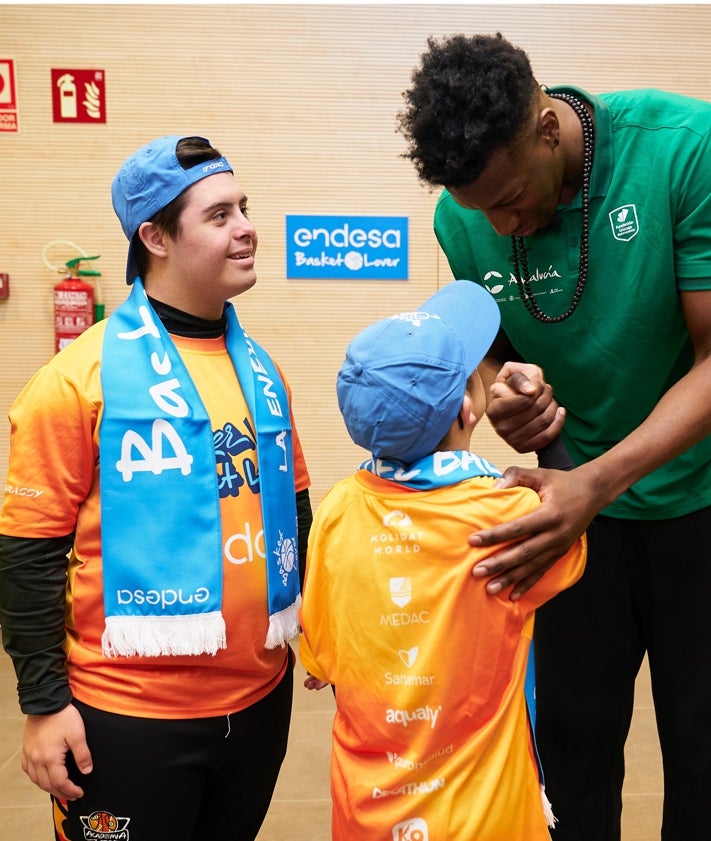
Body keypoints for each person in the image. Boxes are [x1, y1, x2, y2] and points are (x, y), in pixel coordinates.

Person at [396, 32, 711, 841]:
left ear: (545, 127)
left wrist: (595, 482)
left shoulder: (680, 148)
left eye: (509, 198)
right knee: (569, 756)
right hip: (571, 517)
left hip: (696, 505)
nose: (500, 223)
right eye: (480, 211)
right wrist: (507, 388)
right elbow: (493, 345)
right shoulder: (461, 216)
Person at [0, 135, 313, 841]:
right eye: (219, 214)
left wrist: (309, 627)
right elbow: (28, 554)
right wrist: (45, 704)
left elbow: (292, 509)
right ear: (155, 236)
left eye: (245, 207)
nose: (246, 227)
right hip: (129, 718)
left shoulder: (262, 371)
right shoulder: (75, 380)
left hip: (260, 699)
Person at [298, 280, 587, 841]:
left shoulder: (338, 511)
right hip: (487, 817)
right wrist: (547, 435)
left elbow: (326, 657)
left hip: (370, 811)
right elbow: (571, 529)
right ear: (466, 409)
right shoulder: (504, 510)